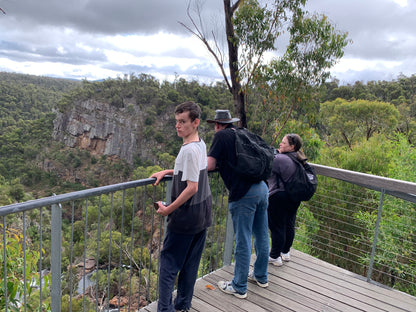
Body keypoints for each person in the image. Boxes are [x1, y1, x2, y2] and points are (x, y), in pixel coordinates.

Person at [150, 101, 212, 312]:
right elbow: (191, 171)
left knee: (168, 265)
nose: (178, 126)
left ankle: (165, 309)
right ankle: (183, 306)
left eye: (182, 122)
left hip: (186, 218)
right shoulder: (200, 144)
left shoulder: (188, 150)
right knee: (190, 265)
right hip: (202, 215)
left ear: (195, 122)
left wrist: (169, 209)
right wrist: (167, 172)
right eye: (176, 121)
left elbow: (192, 187)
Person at [206, 109, 269, 299]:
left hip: (244, 194)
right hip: (262, 188)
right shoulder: (244, 132)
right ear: (231, 122)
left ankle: (239, 286)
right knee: (261, 234)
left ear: (217, 124)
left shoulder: (221, 137)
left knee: (242, 239)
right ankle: (261, 276)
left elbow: (209, 165)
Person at [267, 133, 305, 266]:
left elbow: (266, 163)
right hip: (294, 196)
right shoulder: (298, 158)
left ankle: (274, 256)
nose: (280, 144)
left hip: (279, 196)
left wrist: (273, 153)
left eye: (283, 143)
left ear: (292, 146)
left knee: (277, 226)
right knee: (289, 224)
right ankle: (285, 252)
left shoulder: (280, 159)